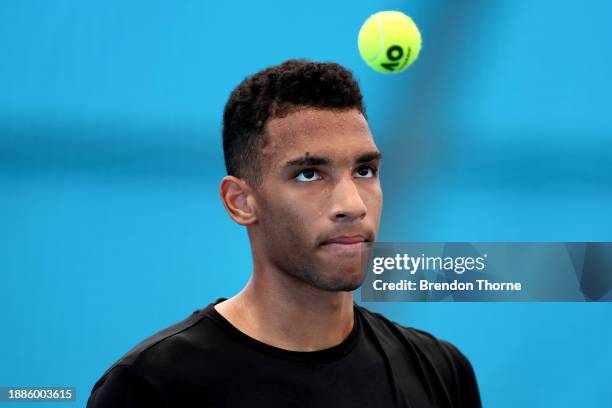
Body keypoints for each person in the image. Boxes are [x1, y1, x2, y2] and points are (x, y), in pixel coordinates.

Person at [87, 59, 481, 407]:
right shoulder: (150, 387)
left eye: (364, 171)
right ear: (240, 201)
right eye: (309, 174)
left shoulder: (441, 372)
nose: (353, 204)